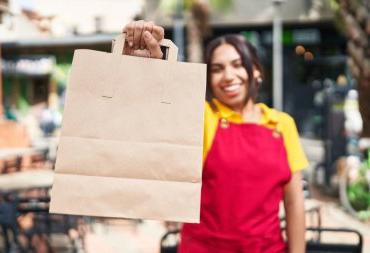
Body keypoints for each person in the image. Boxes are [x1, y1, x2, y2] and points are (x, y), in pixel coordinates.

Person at [122, 20, 309, 253]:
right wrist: (147, 66)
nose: (228, 76)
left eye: (238, 65)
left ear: (257, 70)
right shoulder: (203, 115)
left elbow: (294, 203)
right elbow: (156, 109)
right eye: (217, 69)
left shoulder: (282, 124)